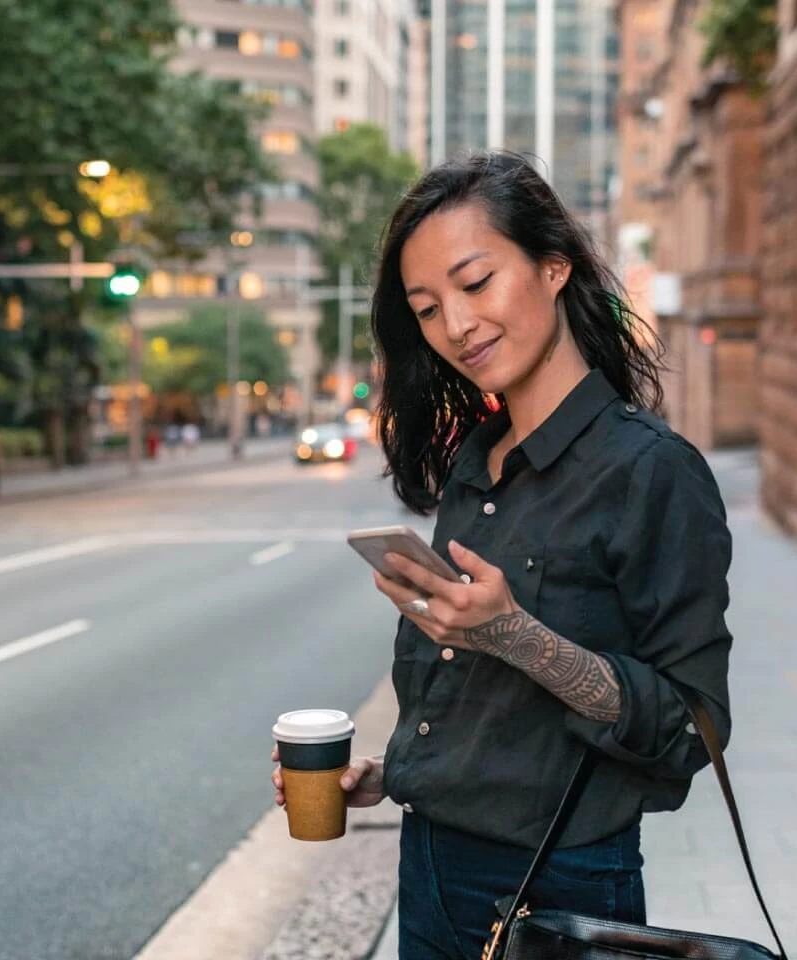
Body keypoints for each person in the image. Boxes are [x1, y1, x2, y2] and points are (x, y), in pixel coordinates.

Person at [270, 152, 733, 960]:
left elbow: (693, 729)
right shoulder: (474, 465)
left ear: (554, 266)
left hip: (563, 885)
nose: (456, 325)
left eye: (476, 283)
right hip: (430, 868)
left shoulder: (650, 470)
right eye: (427, 307)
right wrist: (389, 772)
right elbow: (484, 706)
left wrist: (516, 634)